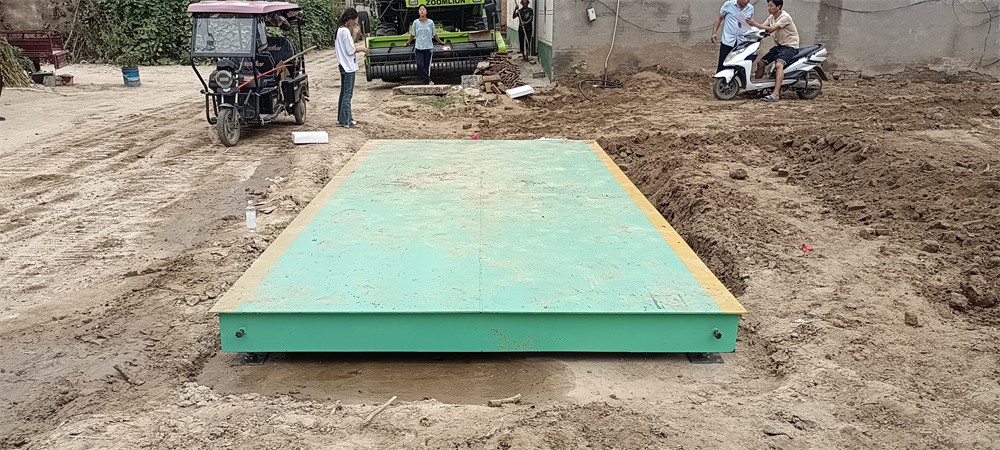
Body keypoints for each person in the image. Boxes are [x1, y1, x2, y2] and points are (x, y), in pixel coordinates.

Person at [747, 0, 799, 102]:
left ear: (778, 7)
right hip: (779, 46)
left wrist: (755, 24)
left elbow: (771, 29)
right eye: (768, 6)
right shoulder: (771, 17)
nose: (768, 8)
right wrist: (751, 28)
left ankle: (775, 94)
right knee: (761, 63)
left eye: (771, 6)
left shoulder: (785, 17)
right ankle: (755, 90)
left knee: (779, 65)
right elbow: (763, 28)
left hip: (790, 47)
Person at [335, 8, 368, 127]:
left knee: (344, 93)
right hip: (348, 66)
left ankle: (344, 118)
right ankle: (345, 121)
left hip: (344, 65)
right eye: (355, 20)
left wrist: (354, 33)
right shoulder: (344, 32)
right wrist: (363, 49)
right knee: (347, 94)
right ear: (349, 19)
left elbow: (350, 45)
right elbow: (351, 50)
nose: (355, 22)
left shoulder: (340, 30)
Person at [405, 5, 446, 85]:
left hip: (428, 47)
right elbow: (413, 34)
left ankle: (426, 83)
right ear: (418, 12)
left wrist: (440, 41)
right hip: (419, 48)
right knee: (420, 65)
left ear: (426, 11)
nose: (422, 11)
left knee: (426, 67)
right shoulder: (415, 23)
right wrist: (408, 42)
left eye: (423, 9)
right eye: (420, 9)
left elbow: (434, 34)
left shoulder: (430, 22)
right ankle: (429, 81)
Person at [710, 0, 753, 74]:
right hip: (728, 40)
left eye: (748, 0)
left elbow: (750, 24)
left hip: (741, 42)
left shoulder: (750, 8)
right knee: (723, 64)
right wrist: (714, 33)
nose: (746, 1)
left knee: (738, 65)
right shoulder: (729, 5)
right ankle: (720, 80)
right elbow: (719, 18)